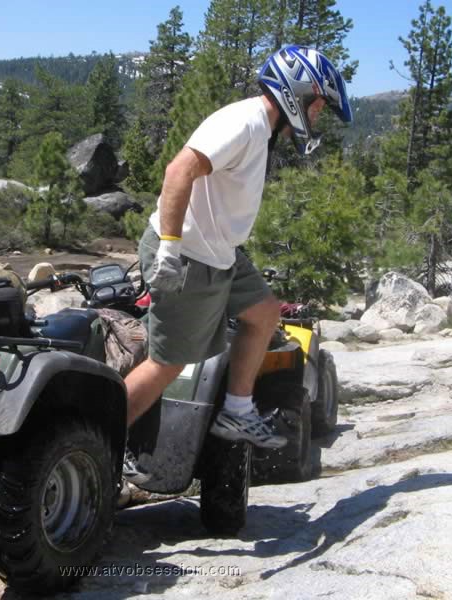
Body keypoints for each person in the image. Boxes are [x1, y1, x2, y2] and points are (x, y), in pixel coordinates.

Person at [124, 45, 352, 483]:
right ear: (296, 94)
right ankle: (98, 445)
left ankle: (237, 410)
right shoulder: (243, 122)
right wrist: (169, 247)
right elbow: (178, 171)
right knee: (166, 363)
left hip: (220, 255)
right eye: (319, 103)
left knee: (264, 313)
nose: (319, 114)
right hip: (188, 255)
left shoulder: (262, 129)